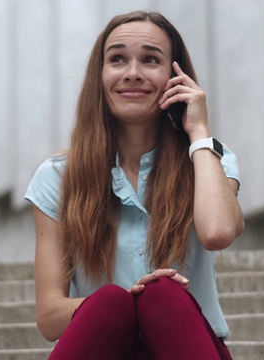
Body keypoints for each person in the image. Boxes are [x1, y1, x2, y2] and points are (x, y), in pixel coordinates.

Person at [25, 10, 244, 360]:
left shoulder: (207, 160)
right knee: (112, 302)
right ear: (100, 76)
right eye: (117, 59)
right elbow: (50, 318)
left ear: (176, 76)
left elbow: (218, 233)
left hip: (186, 347)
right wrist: (129, 300)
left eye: (150, 60)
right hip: (106, 346)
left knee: (163, 295)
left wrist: (199, 134)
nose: (132, 73)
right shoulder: (57, 178)